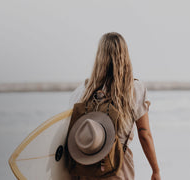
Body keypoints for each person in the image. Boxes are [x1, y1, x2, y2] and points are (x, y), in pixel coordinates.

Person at [68, 32, 161, 180]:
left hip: (85, 166)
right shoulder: (134, 89)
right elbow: (144, 133)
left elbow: (69, 131)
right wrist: (155, 170)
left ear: (99, 56)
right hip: (117, 167)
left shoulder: (85, 90)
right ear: (124, 56)